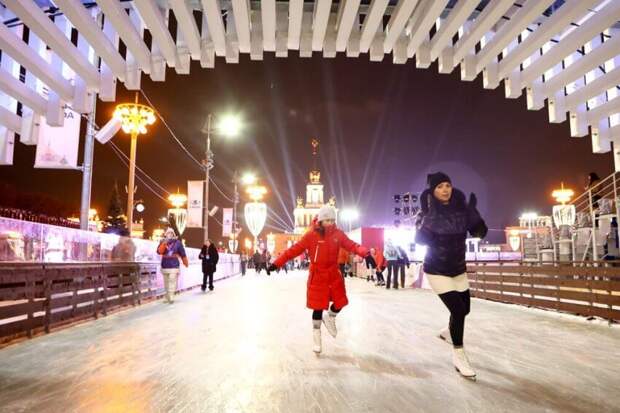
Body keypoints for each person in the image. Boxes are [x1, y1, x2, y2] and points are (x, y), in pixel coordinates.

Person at [267, 205, 369, 354]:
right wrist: (276, 263)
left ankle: (331, 317)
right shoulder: (311, 236)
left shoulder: (338, 234)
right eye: (327, 220)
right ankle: (317, 338)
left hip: (334, 274)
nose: (330, 223)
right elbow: (293, 251)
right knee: (318, 307)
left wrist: (365, 251)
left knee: (341, 302)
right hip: (318, 276)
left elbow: (352, 245)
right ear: (320, 220)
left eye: (332, 220)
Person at [415, 172, 487, 380]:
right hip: (436, 268)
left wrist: (474, 214)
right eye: (439, 187)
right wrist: (429, 218)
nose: (445, 189)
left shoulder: (461, 210)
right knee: (457, 309)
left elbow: (479, 233)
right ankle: (459, 355)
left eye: (447, 185)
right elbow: (420, 240)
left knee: (465, 310)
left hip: (458, 268)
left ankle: (448, 332)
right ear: (432, 191)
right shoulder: (426, 211)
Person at [157, 228, 189, 303]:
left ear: (173, 234)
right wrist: (164, 244)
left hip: (174, 264)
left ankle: (171, 296)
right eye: (168, 233)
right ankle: (166, 296)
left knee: (172, 281)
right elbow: (159, 252)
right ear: (166, 234)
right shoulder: (162, 241)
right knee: (166, 282)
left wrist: (185, 261)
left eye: (171, 233)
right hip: (165, 264)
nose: (170, 234)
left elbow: (182, 252)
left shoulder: (178, 242)